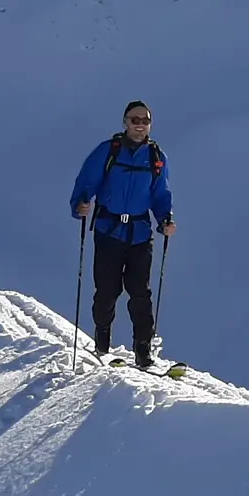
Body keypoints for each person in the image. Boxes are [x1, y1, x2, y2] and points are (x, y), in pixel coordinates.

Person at [70, 100, 176, 368]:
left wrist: (165, 219)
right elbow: (86, 182)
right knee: (107, 291)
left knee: (140, 293)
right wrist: (80, 204)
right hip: (109, 231)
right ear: (125, 122)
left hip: (140, 234)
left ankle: (143, 350)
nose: (140, 125)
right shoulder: (108, 152)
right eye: (134, 119)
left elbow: (160, 194)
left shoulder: (156, 158)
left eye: (145, 120)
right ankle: (101, 337)